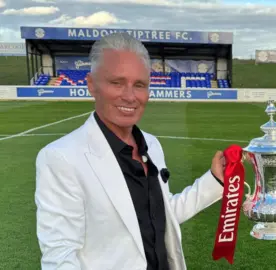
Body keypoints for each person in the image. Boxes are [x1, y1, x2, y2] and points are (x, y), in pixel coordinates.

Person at [34, 32, 225, 270]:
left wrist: (215, 180)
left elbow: (158, 215)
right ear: (92, 85)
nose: (130, 96)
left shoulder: (151, 145)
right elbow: (60, 256)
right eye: (117, 82)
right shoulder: (60, 158)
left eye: (139, 85)